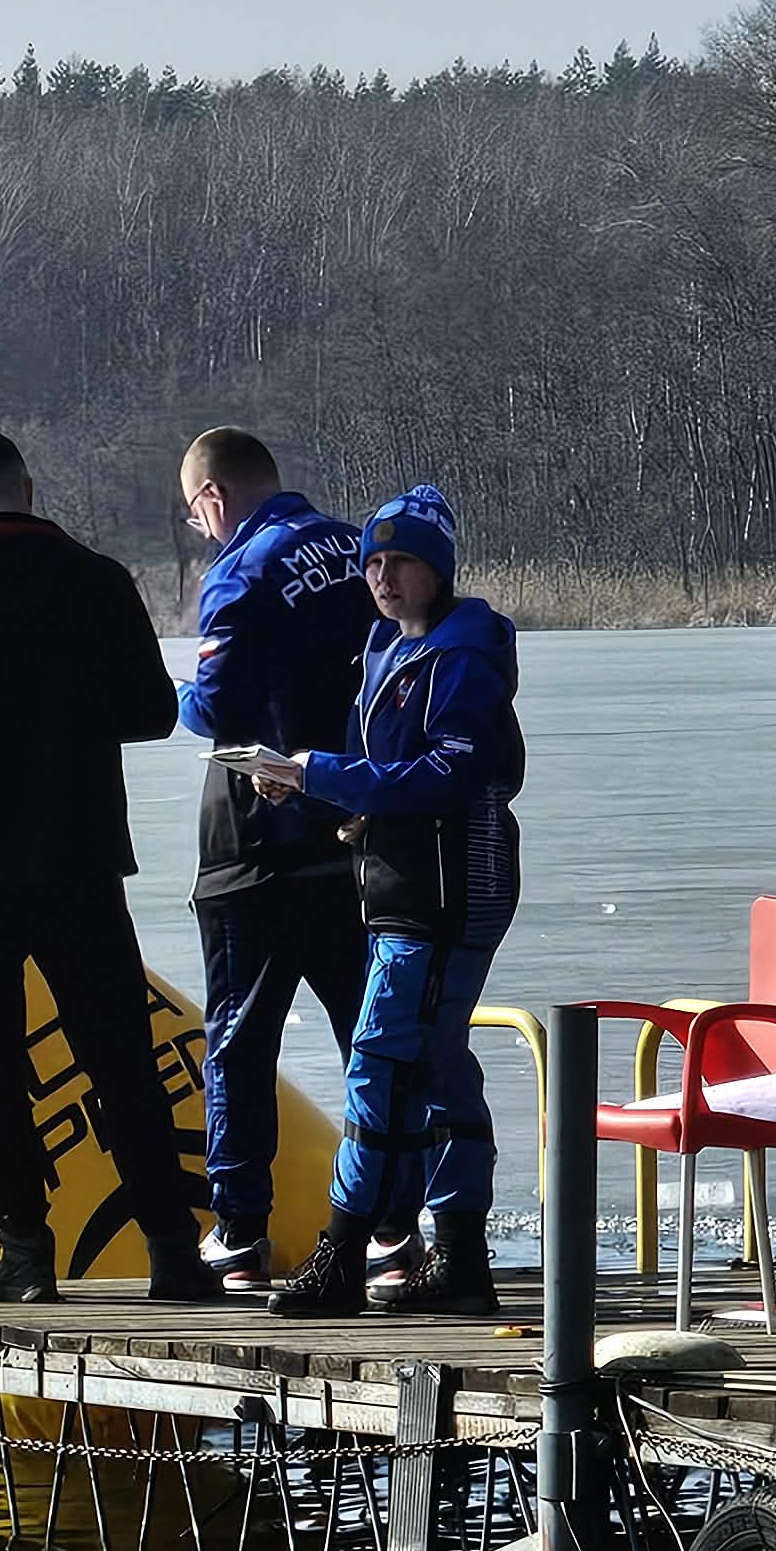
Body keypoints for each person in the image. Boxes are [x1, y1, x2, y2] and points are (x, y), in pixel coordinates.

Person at [0, 427, 217, 1303]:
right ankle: (174, 1251)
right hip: (80, 855)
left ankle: (25, 1251)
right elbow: (151, 711)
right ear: (29, 486)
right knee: (122, 1060)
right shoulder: (98, 581)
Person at [241, 486, 524, 1317]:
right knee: (434, 1066)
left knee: (380, 1062)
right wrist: (304, 786)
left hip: (446, 890)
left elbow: (448, 774)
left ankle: (343, 1250)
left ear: (437, 569)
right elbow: (387, 776)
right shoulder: (386, 651)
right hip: (400, 882)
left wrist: (321, 773)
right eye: (371, 560)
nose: (382, 575)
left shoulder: (464, 655)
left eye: (400, 561)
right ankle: (463, 1258)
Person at [175, 428, 374, 1285]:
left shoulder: (244, 569)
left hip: (256, 848)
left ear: (212, 498)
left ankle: (241, 1230)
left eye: (195, 517)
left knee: (240, 1043)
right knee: (371, 1038)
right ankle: (395, 1227)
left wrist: (176, 695)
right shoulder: (358, 548)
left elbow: (212, 706)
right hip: (357, 829)